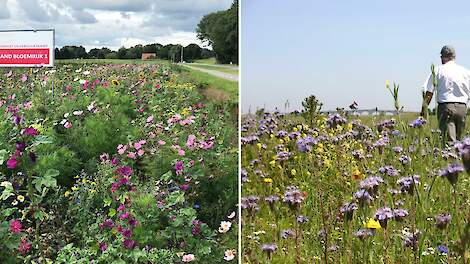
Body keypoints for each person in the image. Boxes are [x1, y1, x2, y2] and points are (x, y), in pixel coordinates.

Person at [421, 45, 470, 144]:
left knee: (449, 142)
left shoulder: (438, 70)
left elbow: (429, 92)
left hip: (446, 107)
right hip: (462, 108)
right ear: (454, 57)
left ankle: (451, 159)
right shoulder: (465, 72)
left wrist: (424, 110)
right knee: (460, 143)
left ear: (443, 57)